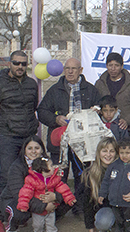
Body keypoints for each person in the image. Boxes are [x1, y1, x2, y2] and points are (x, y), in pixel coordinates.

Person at [0, 50, 39, 232]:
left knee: (28, 176)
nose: (20, 67)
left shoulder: (31, 84)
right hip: (8, 139)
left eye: (23, 64)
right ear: (9, 64)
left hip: (27, 139)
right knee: (6, 177)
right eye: (16, 63)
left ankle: (17, 214)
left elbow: (33, 108)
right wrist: (4, 125)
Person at [37, 57, 100, 197]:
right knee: (58, 176)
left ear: (80, 70)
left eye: (73, 69)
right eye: (67, 68)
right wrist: (55, 119)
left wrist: (95, 111)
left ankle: (79, 207)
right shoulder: (54, 90)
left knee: (82, 176)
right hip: (60, 142)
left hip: (83, 143)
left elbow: (99, 111)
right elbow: (42, 111)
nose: (70, 72)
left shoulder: (91, 90)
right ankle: (59, 207)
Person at [0, 136, 72, 232]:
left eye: (37, 148)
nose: (33, 151)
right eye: (30, 148)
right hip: (17, 199)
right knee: (20, 212)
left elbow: (60, 184)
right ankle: (11, 228)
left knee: (67, 200)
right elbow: (19, 194)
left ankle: (47, 221)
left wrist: (55, 196)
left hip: (42, 197)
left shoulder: (49, 164)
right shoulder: (17, 166)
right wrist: (44, 206)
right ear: (24, 149)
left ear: (42, 149)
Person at [17, 157, 76, 232]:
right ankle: (38, 231)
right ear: (44, 170)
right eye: (51, 166)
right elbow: (25, 193)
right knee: (38, 223)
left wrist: (69, 198)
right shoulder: (31, 180)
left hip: (51, 205)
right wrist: (23, 204)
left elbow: (63, 188)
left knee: (51, 221)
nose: (54, 167)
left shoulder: (54, 178)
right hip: (38, 208)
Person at [95, 52, 130, 138]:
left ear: (122, 66)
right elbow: (96, 103)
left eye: (116, 65)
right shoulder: (100, 83)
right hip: (103, 128)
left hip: (126, 129)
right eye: (110, 65)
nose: (113, 68)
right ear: (106, 66)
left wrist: (126, 121)